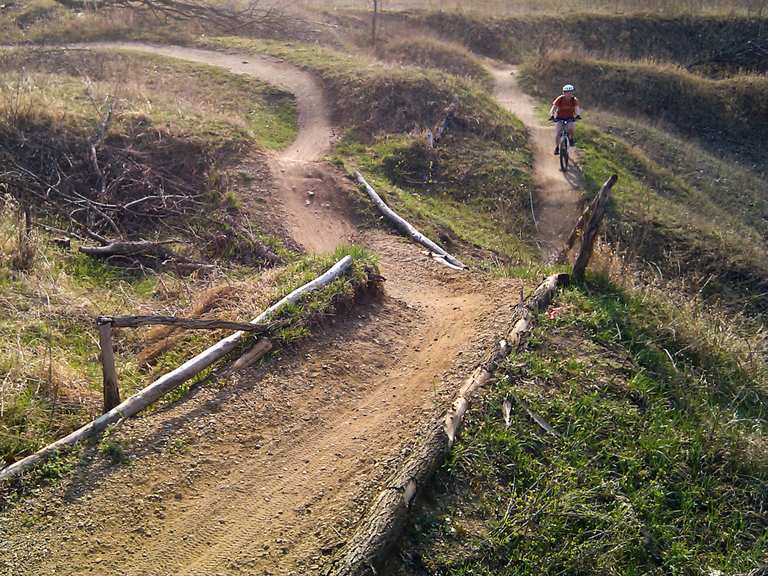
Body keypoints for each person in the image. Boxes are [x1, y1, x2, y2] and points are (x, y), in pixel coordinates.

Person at [549, 84, 582, 155]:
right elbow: (553, 108)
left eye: (570, 92)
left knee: (571, 129)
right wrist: (552, 115)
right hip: (560, 117)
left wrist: (578, 115)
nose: (568, 94)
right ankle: (557, 147)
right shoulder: (560, 99)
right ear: (564, 93)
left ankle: (571, 139)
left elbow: (577, 108)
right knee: (558, 133)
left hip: (570, 117)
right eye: (567, 92)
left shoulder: (574, 100)